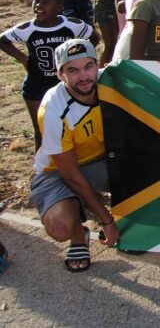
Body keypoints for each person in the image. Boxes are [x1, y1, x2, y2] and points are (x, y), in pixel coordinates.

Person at [29, 39, 119, 271]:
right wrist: (106, 220)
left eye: (88, 66)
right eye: (73, 70)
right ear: (60, 74)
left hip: (102, 162)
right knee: (60, 228)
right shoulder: (53, 108)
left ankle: (134, 224)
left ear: (97, 65)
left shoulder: (111, 81)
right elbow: (70, 175)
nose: (84, 76)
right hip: (57, 173)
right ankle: (79, 235)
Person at [1, 0, 95, 148]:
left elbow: (94, 37)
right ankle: (41, 168)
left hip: (66, 86)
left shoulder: (73, 25)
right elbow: (3, 40)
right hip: (36, 86)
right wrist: (23, 59)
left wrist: (80, 58)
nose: (38, 5)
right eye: (37, 1)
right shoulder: (28, 28)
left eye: (45, 2)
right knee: (41, 129)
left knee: (71, 126)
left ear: (60, 6)